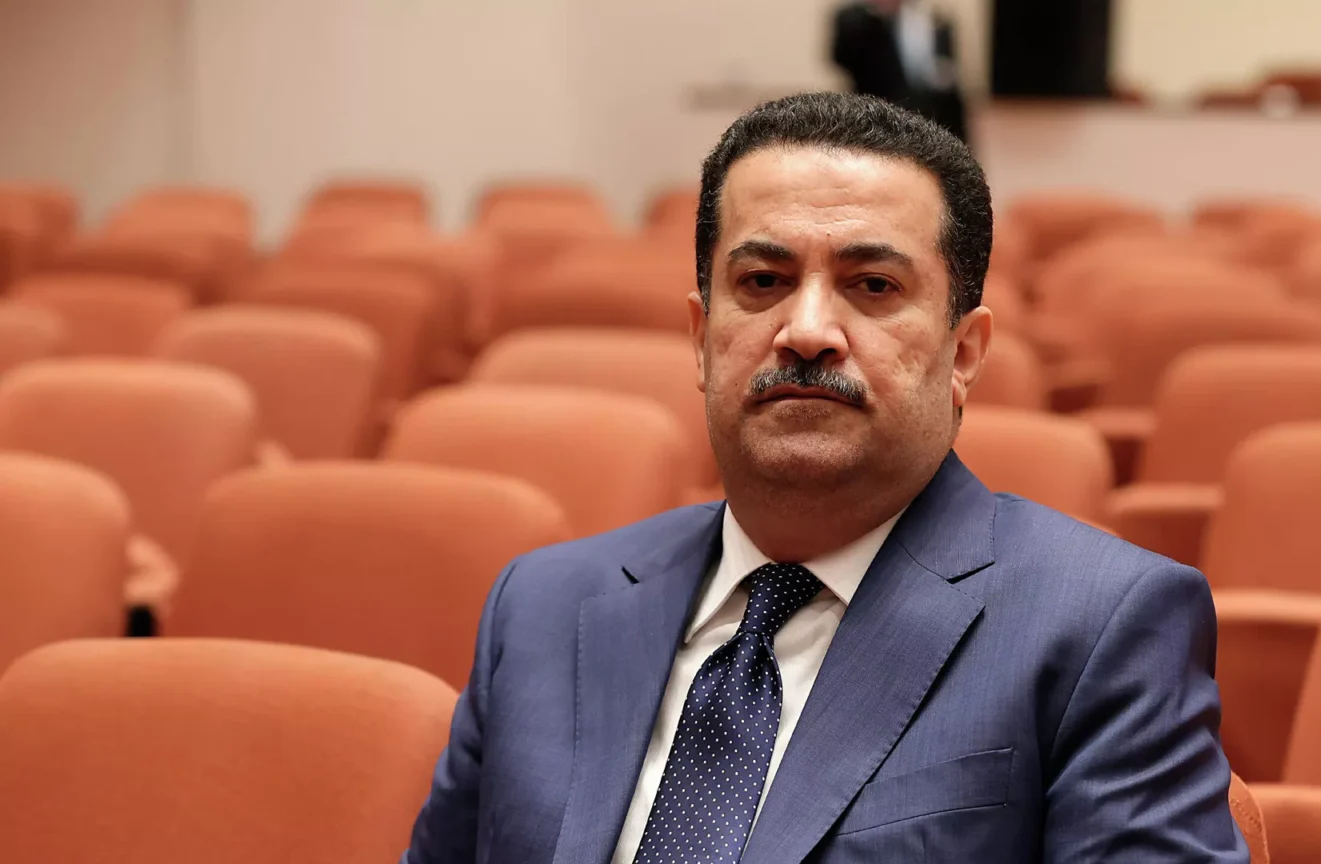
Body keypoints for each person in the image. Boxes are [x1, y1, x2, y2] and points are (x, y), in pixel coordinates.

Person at [402, 92, 1246, 863]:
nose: (806, 331)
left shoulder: (1102, 626)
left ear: (964, 354)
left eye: (872, 285)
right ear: (701, 340)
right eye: (762, 282)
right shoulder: (542, 607)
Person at [832, 0, 969, 143]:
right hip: (880, 109)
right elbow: (842, 57)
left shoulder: (930, 19)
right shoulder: (859, 20)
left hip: (930, 109)